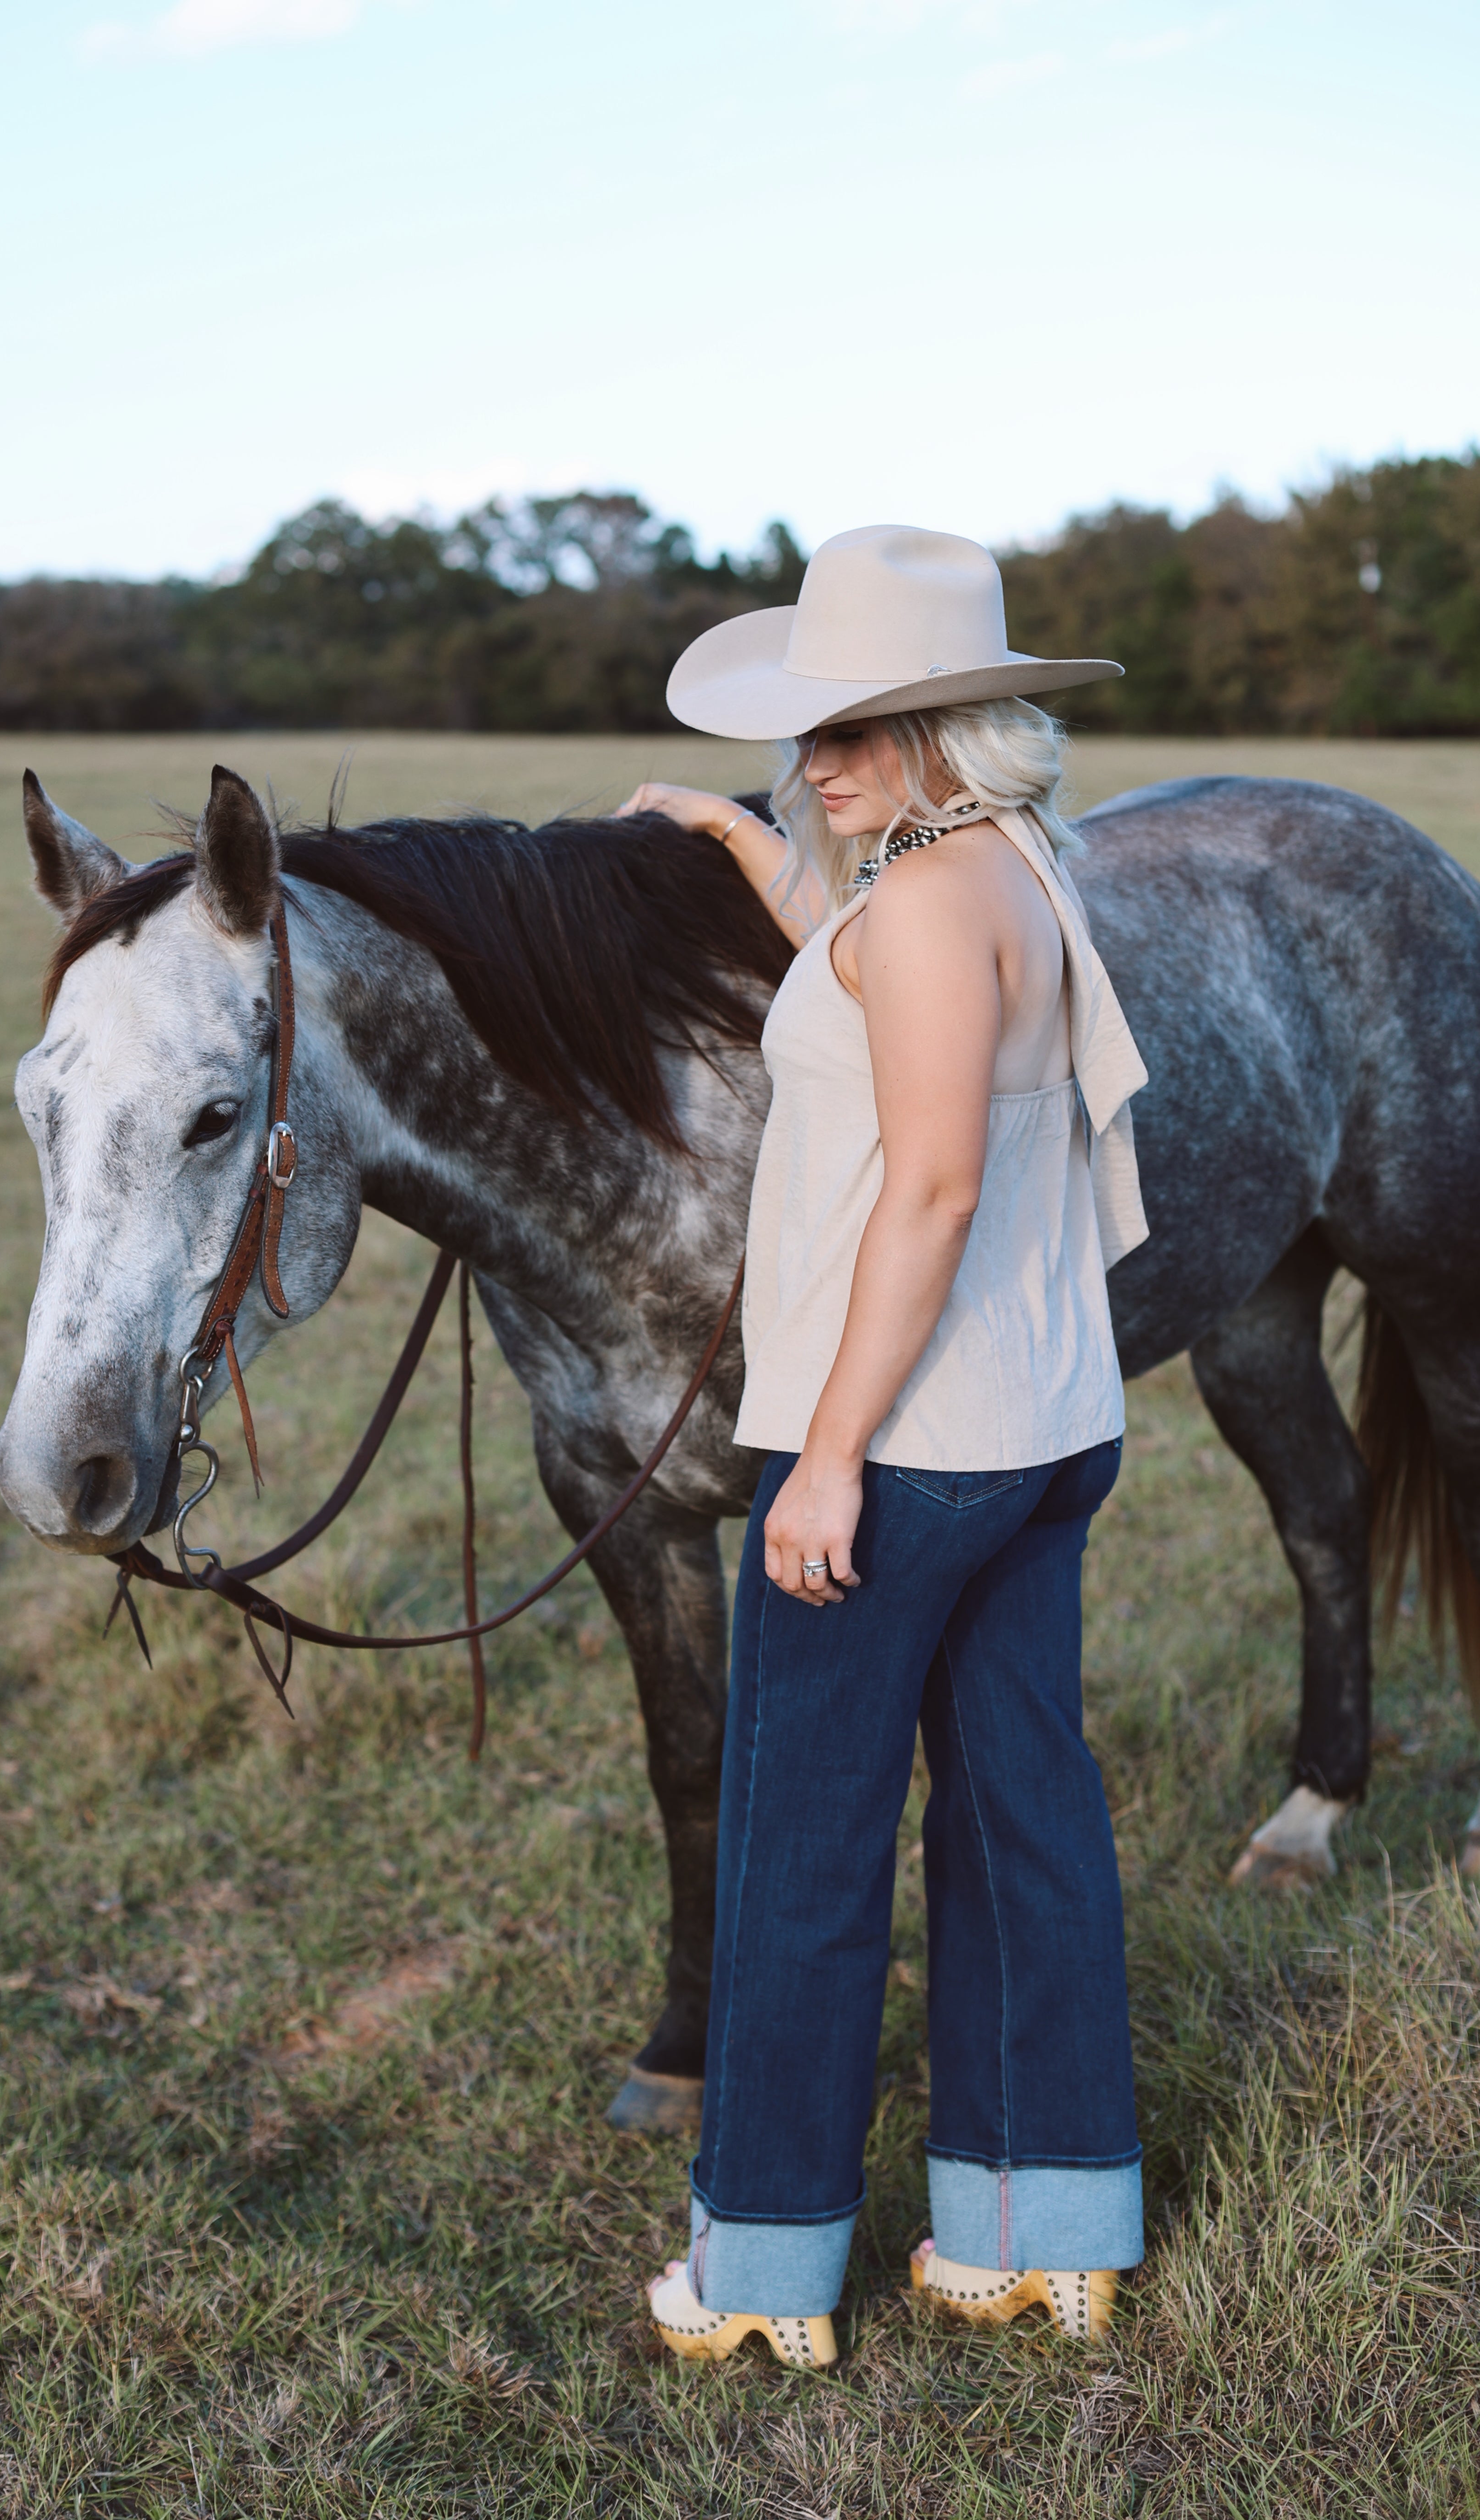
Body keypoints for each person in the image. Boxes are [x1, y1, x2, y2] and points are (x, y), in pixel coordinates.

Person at [614, 524, 1149, 2368]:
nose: (816, 766)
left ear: (949, 729)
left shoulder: (924, 902)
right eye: (807, 737)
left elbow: (928, 1178)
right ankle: (1037, 2230)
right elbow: (869, 979)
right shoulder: (1002, 872)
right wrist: (752, 848)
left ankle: (760, 2275)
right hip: (1041, 1426)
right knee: (1023, 1829)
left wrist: (828, 1452)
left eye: (855, 733)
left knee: (801, 1858)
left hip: (907, 1447)